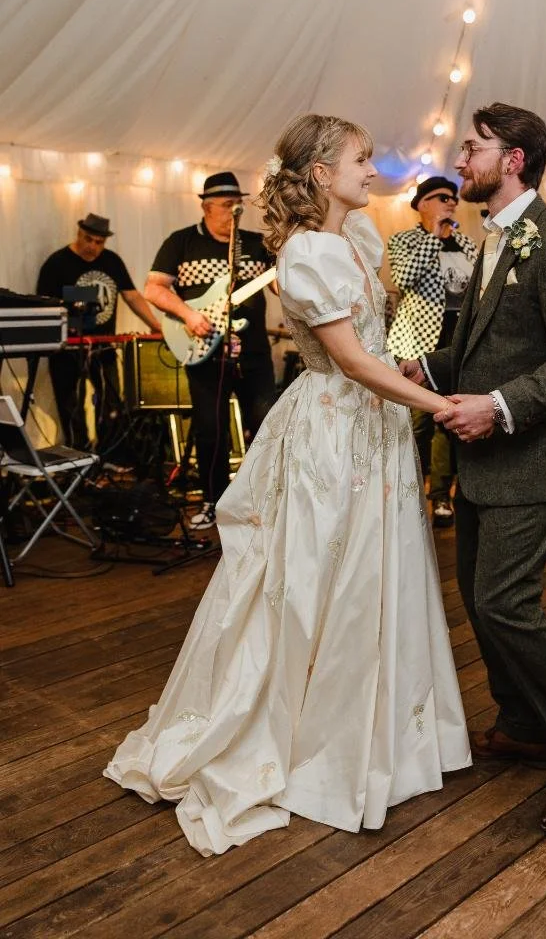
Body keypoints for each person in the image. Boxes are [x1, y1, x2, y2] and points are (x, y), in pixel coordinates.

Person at [105, 114, 470, 856]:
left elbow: (378, 349)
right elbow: (351, 362)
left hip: (379, 425)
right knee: (319, 580)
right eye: (362, 160)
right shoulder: (304, 253)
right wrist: (440, 407)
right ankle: (317, 742)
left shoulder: (360, 240)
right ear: (320, 174)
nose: (374, 172)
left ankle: (383, 738)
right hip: (334, 431)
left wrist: (414, 372)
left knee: (376, 572)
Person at [401, 102, 546, 835]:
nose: (461, 161)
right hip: (481, 457)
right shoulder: (490, 237)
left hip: (529, 456)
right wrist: (423, 368)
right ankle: (524, 724)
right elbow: (478, 344)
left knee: (504, 601)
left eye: (474, 149)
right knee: (474, 593)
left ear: (515, 160)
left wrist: (496, 406)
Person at [144, 173, 277, 531]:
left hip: (253, 352)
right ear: (206, 206)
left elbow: (280, 287)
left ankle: (263, 501)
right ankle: (213, 501)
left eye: (239, 203)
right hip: (205, 352)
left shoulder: (257, 243)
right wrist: (188, 314)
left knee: (264, 424)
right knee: (210, 428)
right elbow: (154, 289)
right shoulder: (182, 242)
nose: (235, 210)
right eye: (225, 204)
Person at [387, 176, 478, 525]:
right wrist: (433, 238)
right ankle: (403, 495)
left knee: (448, 424)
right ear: (422, 203)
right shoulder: (404, 240)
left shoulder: (467, 244)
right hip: (416, 347)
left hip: (457, 347)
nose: (451, 203)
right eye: (442, 197)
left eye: (454, 198)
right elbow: (404, 278)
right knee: (415, 424)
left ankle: (441, 497)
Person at [36, 213, 161, 456]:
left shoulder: (112, 261)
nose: (92, 246)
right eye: (88, 239)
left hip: (103, 349)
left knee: (111, 402)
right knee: (71, 405)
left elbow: (132, 295)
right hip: (66, 350)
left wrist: (156, 325)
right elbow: (43, 305)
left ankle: (109, 456)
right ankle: (78, 457)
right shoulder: (57, 263)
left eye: (99, 242)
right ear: (78, 233)